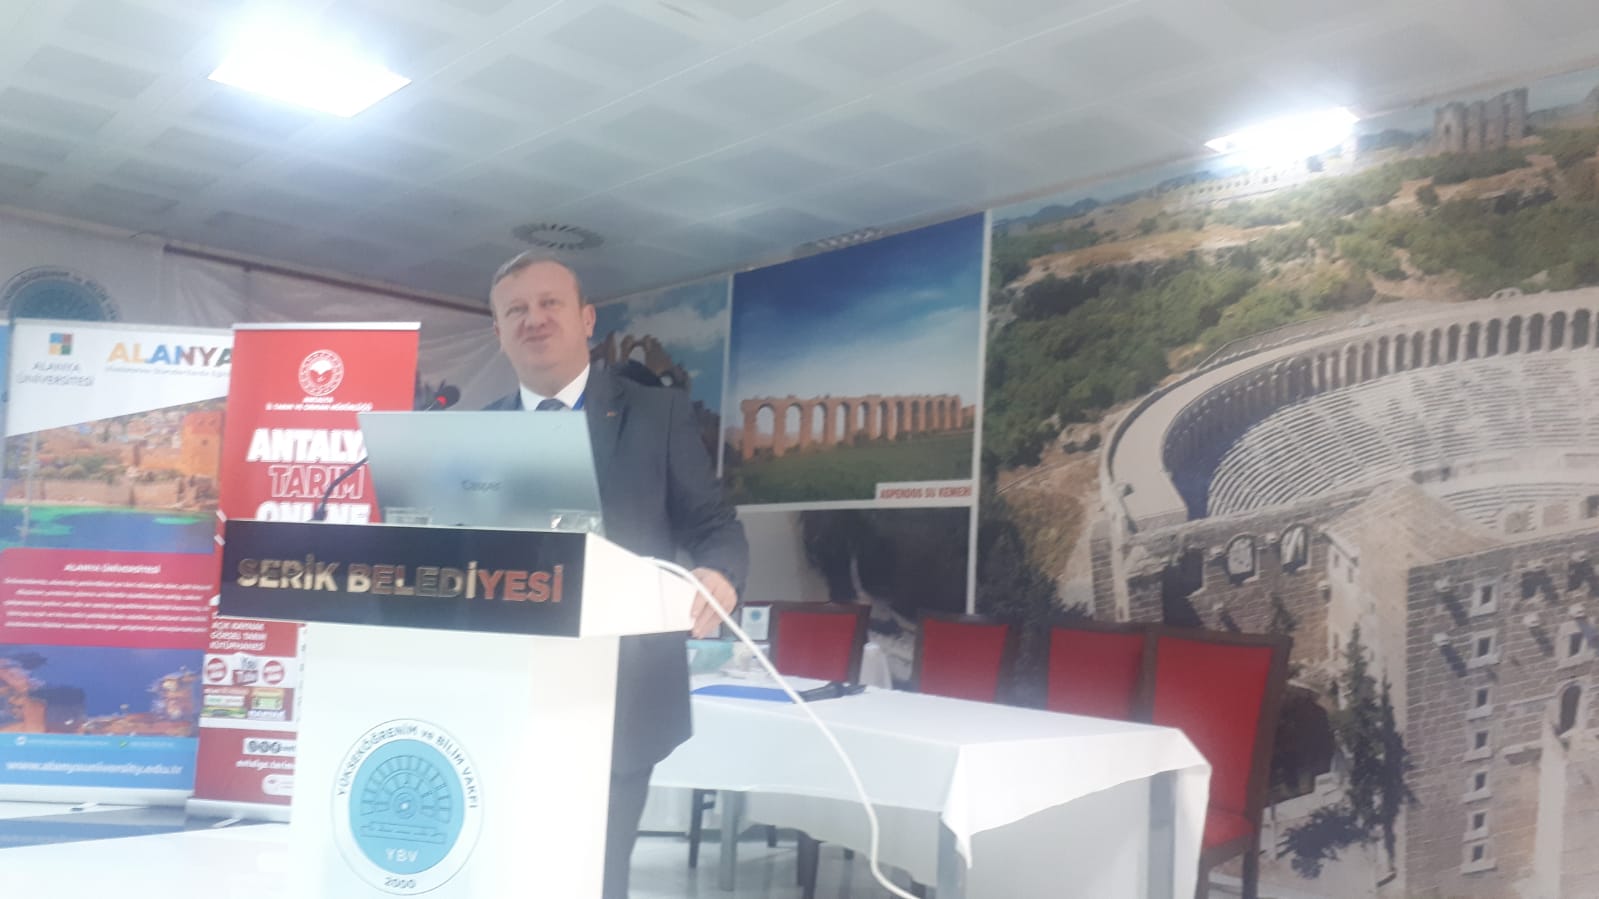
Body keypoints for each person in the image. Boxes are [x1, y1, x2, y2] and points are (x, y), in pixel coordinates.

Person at [482, 252, 747, 899]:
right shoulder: (476, 430)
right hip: (501, 694)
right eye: (516, 310)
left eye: (550, 303)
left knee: (594, 878)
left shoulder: (657, 415)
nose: (534, 319)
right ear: (499, 332)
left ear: (586, 319)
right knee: (505, 873)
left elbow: (713, 523)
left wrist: (718, 571)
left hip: (618, 693)